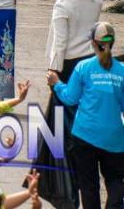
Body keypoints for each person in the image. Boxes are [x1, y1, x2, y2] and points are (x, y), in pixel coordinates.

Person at [48, 22, 124, 209]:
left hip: (85, 136)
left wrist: (57, 83)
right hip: (114, 139)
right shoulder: (121, 71)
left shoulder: (83, 67)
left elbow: (69, 98)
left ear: (92, 42)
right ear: (112, 42)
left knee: (89, 186)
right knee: (115, 180)